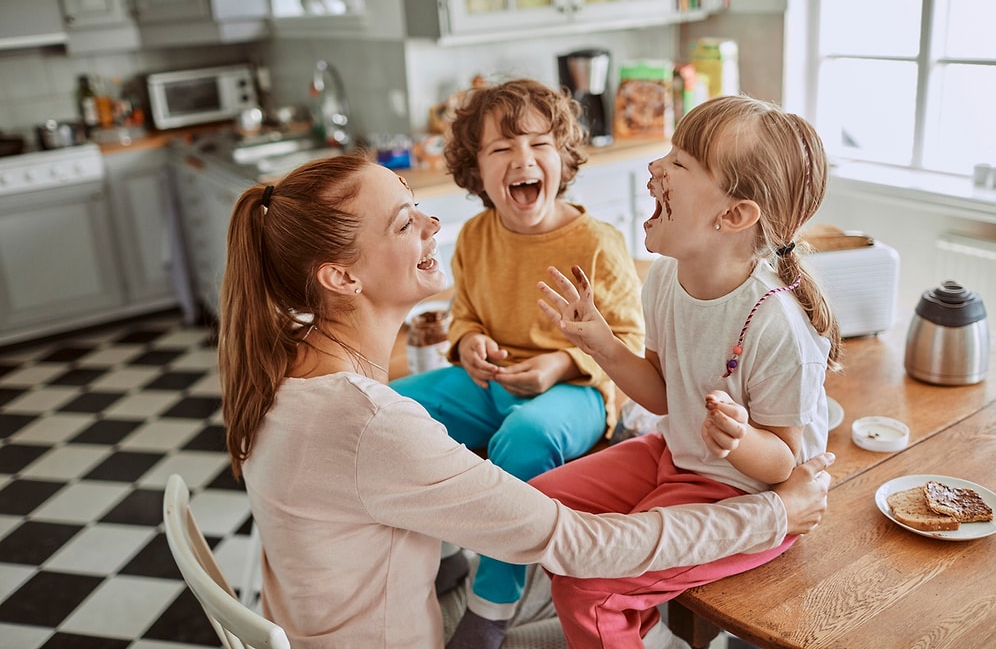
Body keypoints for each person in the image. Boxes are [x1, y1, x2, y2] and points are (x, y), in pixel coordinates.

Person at [217, 152, 835, 649]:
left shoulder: (284, 361)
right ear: (342, 278)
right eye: (405, 222)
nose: (433, 224)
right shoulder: (371, 425)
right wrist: (775, 514)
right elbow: (581, 545)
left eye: (416, 205)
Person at [535, 94, 843, 647]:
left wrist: (740, 437)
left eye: (679, 163)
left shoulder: (775, 325)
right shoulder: (663, 278)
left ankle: (622, 611)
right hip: (673, 453)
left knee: (588, 582)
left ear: (733, 215)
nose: (655, 168)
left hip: (742, 493)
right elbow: (660, 394)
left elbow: (781, 465)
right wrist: (602, 345)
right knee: (534, 508)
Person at [389, 78, 646, 646]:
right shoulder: (476, 235)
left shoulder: (597, 242)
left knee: (524, 438)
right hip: (489, 383)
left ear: (564, 158)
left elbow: (627, 340)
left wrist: (557, 364)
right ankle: (447, 549)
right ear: (475, 170)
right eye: (501, 149)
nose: (522, 160)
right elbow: (465, 315)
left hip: (576, 391)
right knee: (394, 410)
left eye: (539, 145)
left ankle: (491, 605)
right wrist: (468, 344)